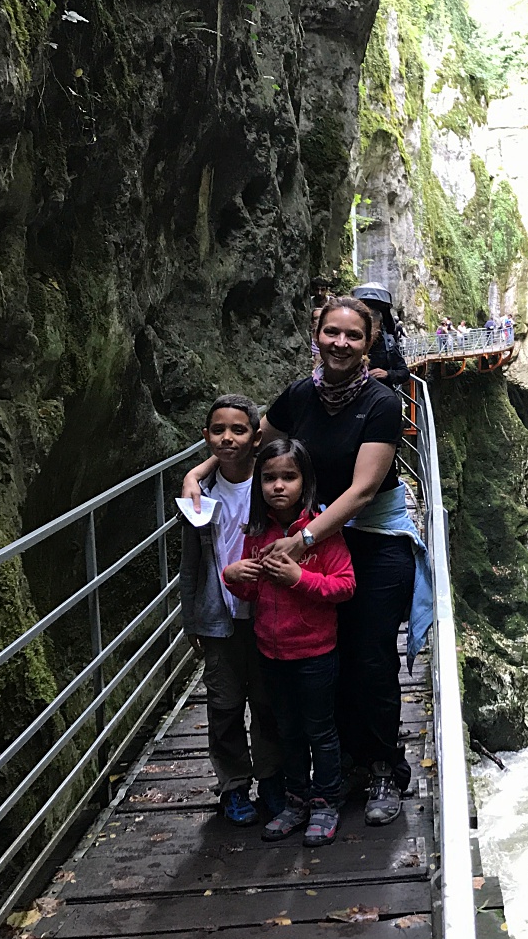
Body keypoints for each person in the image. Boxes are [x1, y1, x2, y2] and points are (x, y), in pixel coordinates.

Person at [184, 297, 431, 826]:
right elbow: (255, 439)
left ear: (369, 343)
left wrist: (304, 538)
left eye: (353, 335)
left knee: (369, 658)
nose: (341, 343)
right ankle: (337, 769)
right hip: (313, 535)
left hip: (370, 538)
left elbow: (364, 490)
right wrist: (201, 471)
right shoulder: (301, 395)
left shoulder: (382, 402)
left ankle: (384, 765)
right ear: (316, 336)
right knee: (327, 657)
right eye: (331, 333)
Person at [223, 438, 355, 846]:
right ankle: (296, 801)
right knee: (287, 730)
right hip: (271, 651)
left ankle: (325, 802)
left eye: (288, 477)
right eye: (268, 478)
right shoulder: (257, 534)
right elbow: (253, 595)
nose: (278, 486)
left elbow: (345, 585)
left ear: (305, 482)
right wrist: (233, 577)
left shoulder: (320, 533)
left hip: (315, 652)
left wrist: (300, 579)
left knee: (320, 731)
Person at [178, 395, 282, 826]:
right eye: (218, 430)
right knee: (223, 705)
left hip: (266, 614)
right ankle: (234, 785)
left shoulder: (272, 482)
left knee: (267, 700)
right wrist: (190, 618)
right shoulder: (198, 494)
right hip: (219, 617)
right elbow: (190, 561)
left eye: (238, 430)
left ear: (256, 436)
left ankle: (273, 779)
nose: (228, 438)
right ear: (206, 437)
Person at [351, 284, 410, 387]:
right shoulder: (350, 343)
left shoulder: (388, 344)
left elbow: (404, 372)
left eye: (373, 328)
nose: (370, 332)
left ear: (379, 326)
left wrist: (387, 374)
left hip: (382, 393)